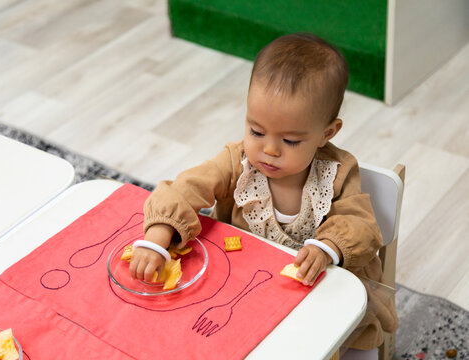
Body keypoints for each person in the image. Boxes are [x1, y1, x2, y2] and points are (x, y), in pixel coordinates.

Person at [129, 33, 398, 358]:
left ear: (327, 133)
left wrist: (327, 249)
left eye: (290, 141)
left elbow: (360, 224)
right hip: (244, 283)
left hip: (314, 288)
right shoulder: (238, 160)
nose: (269, 150)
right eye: (256, 131)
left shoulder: (338, 172)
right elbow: (185, 187)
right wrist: (158, 236)